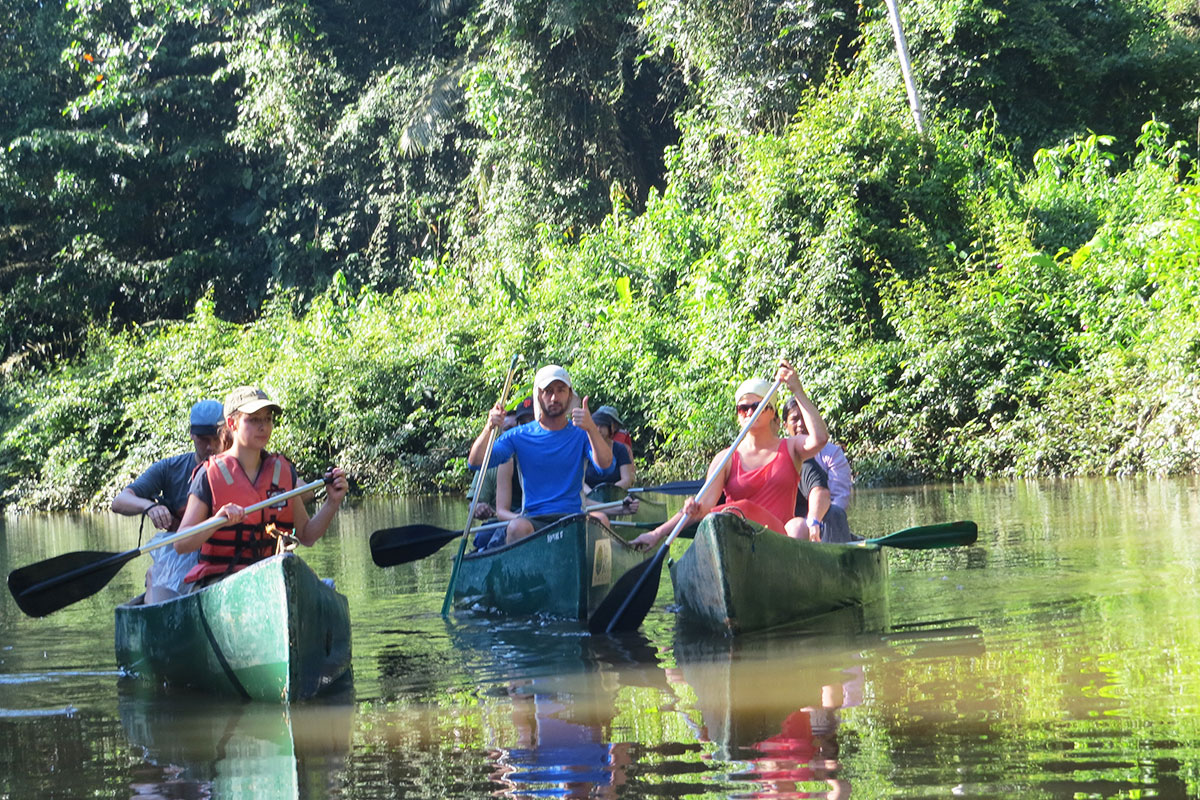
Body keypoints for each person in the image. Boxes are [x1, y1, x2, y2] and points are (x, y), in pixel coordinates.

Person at [632, 359, 846, 549]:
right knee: (724, 516)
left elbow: (819, 438)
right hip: (738, 540)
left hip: (778, 543)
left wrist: (797, 390)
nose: (749, 412)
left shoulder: (790, 447)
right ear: (738, 415)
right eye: (743, 409)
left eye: (757, 406)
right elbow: (705, 505)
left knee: (798, 525)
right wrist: (657, 533)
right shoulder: (725, 458)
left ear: (771, 412)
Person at [173, 386, 349, 588]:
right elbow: (181, 544)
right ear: (233, 423)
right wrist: (217, 521)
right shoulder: (208, 475)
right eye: (254, 419)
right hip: (223, 581)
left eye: (267, 419)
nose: (263, 426)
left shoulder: (282, 472)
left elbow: (306, 535)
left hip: (274, 578)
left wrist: (332, 502)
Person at [468, 365, 612, 547]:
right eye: (548, 391)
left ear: (569, 395)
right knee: (516, 528)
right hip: (534, 519)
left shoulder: (582, 434)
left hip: (574, 516)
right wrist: (488, 427)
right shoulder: (518, 435)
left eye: (561, 390)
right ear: (538, 395)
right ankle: (522, 574)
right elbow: (476, 462)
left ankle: (592, 575)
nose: (554, 397)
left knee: (602, 520)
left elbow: (606, 465)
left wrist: (591, 427)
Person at [110, 399, 226, 602]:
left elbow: (299, 488)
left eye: (216, 439)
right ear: (191, 434)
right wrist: (149, 507)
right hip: (182, 553)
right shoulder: (170, 468)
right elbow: (119, 502)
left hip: (223, 554)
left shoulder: (240, 466)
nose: (210, 446)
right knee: (154, 575)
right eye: (202, 439)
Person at [782, 397, 854, 542]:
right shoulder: (780, 453)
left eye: (804, 418)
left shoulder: (832, 453)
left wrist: (814, 523)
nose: (801, 424)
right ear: (785, 425)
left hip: (825, 523)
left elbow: (839, 499)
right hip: (792, 526)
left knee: (835, 512)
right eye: (795, 419)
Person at [583, 406, 635, 491]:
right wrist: (591, 493)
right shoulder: (585, 447)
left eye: (603, 426)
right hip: (588, 496)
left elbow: (627, 479)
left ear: (613, 427)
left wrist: (609, 492)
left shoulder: (621, 449)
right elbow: (578, 480)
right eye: (596, 425)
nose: (599, 430)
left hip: (615, 494)